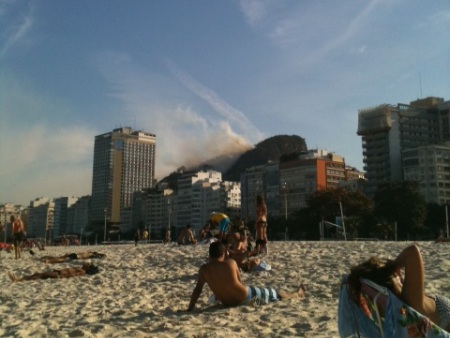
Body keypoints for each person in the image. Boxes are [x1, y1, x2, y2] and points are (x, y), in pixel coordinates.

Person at [348, 244, 450, 331]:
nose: (399, 275)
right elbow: (413, 252)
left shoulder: (392, 313)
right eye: (395, 275)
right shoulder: (410, 300)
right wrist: (394, 264)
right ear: (389, 284)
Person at [187, 242, 306, 311]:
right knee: (275, 293)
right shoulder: (231, 263)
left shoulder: (204, 269)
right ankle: (297, 294)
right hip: (246, 297)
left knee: (273, 294)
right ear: (223, 253)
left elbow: (197, 290)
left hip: (228, 304)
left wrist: (190, 309)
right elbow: (240, 282)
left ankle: (296, 294)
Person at [8, 262, 99, 282]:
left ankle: (18, 279)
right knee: (38, 274)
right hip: (58, 273)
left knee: (41, 275)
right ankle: (20, 278)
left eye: (88, 264)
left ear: (88, 268)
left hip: (59, 274)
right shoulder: (80, 268)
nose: (85, 263)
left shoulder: (82, 271)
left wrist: (62, 275)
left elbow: (72, 274)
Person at [39, 251, 105, 264]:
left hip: (74, 254)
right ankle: (48, 261)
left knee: (60, 257)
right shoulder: (90, 255)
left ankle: (47, 257)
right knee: (61, 260)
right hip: (75, 256)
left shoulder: (88, 252)